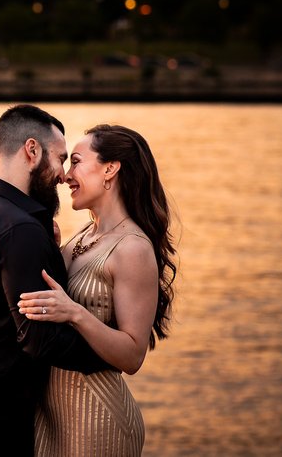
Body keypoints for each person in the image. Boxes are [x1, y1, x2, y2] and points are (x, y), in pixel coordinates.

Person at [0, 105, 112, 457]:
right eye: (60, 159)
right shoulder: (20, 229)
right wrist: (113, 352)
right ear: (32, 151)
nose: (63, 175)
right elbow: (38, 339)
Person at [17, 124, 177, 457]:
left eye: (75, 161)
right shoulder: (80, 237)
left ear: (110, 169)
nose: (65, 175)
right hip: (50, 419)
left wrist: (74, 313)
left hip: (96, 420)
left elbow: (132, 356)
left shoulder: (133, 248)